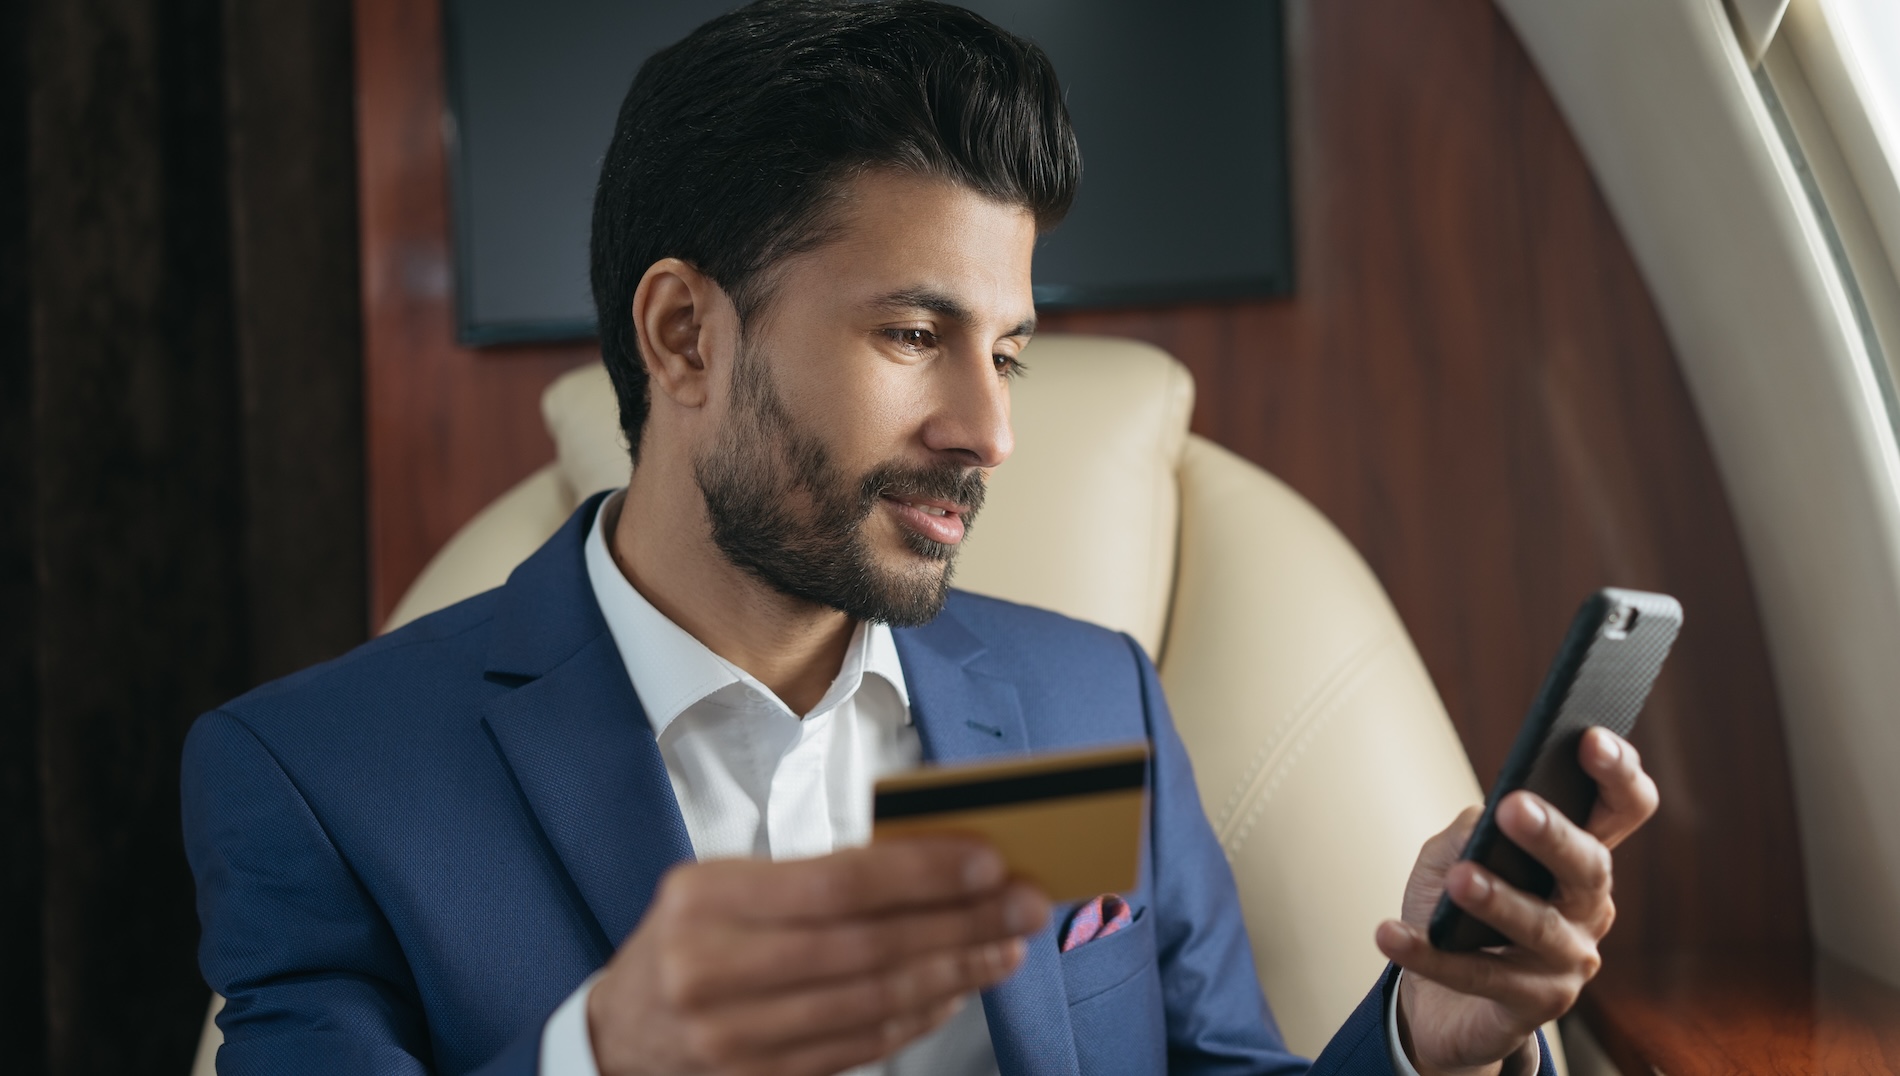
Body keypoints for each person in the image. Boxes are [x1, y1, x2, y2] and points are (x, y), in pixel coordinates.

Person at [181, 2, 1659, 1074]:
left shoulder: (1093, 707)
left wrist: (1426, 1042)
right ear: (685, 335)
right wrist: (603, 1059)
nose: (990, 429)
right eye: (912, 332)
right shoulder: (319, 782)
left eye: (1006, 352)